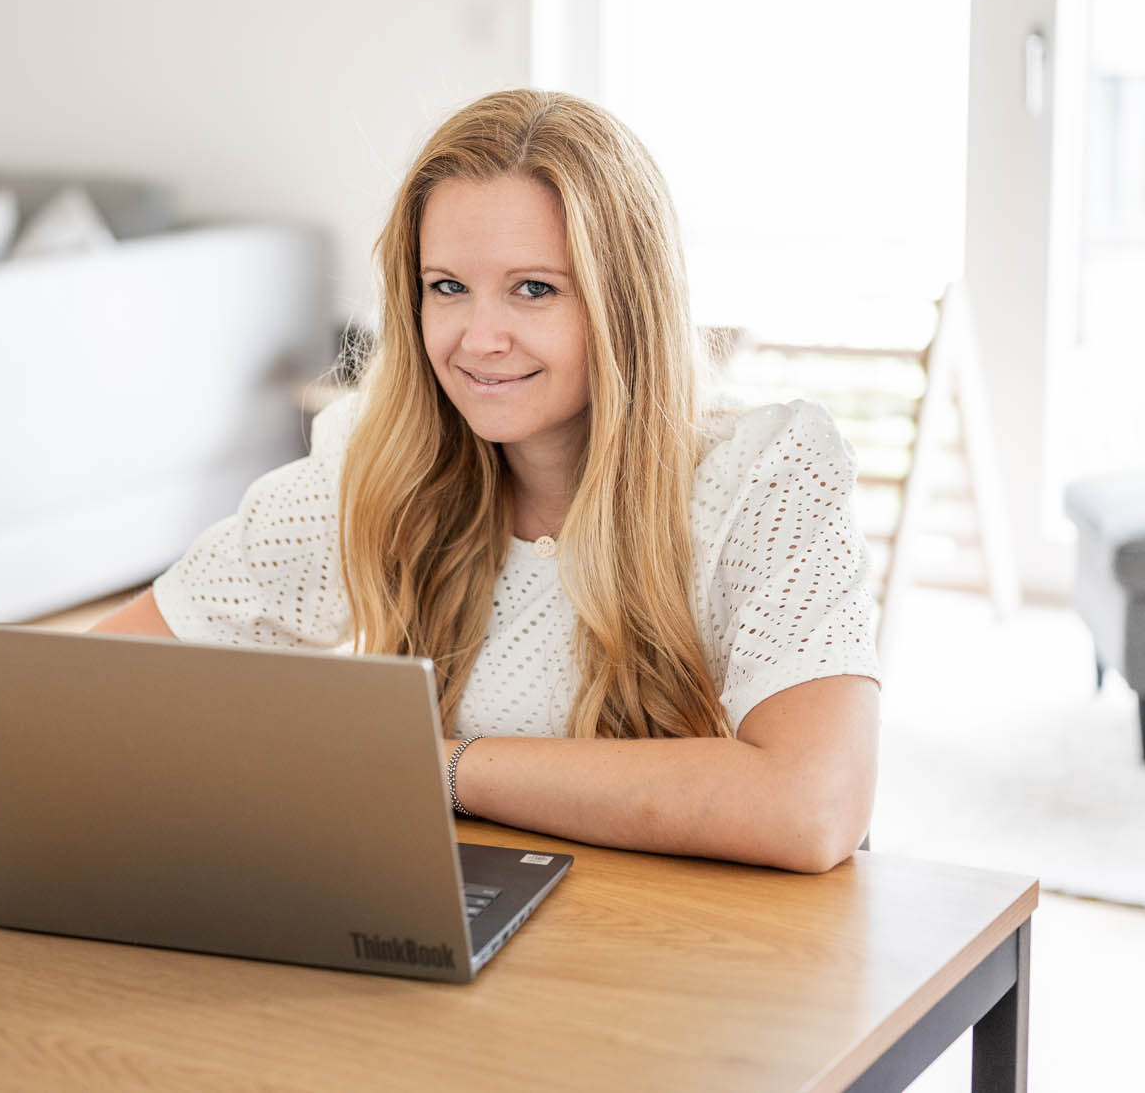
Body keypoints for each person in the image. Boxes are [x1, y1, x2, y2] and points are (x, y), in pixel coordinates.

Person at [93, 88, 879, 874]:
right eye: (447, 287)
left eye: (533, 288)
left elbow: (812, 805)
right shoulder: (379, 464)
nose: (478, 338)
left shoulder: (768, 473)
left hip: (693, 956)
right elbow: (94, 686)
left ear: (626, 304)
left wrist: (433, 766)